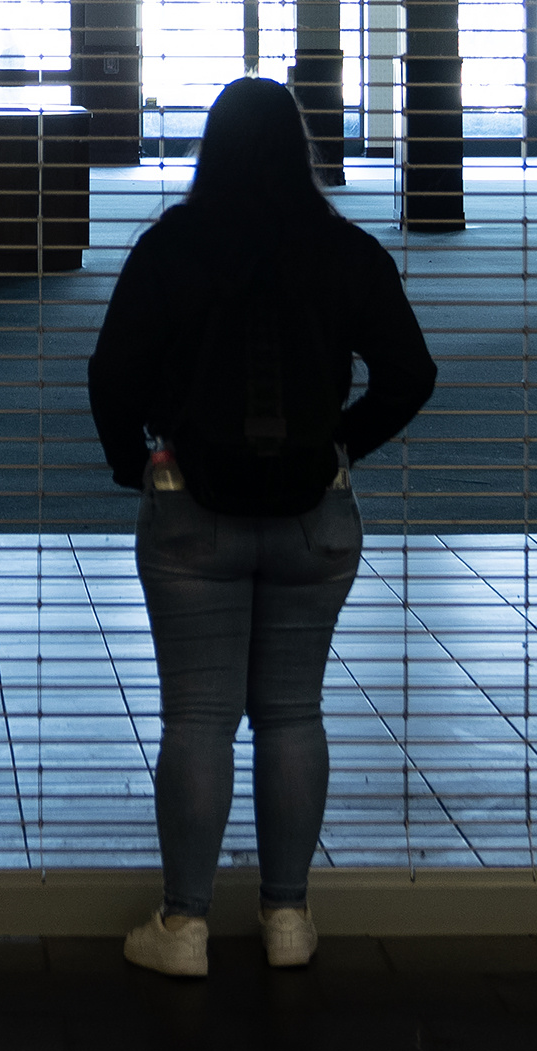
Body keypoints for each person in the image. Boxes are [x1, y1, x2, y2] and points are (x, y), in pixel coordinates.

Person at [88, 75, 438, 977]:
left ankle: (186, 925)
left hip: (193, 510)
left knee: (198, 719)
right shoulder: (344, 250)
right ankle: (288, 917)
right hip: (312, 516)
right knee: (292, 716)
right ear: (301, 152)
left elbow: (112, 372)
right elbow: (411, 373)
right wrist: (338, 444)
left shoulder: (174, 246)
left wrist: (141, 463)